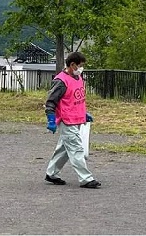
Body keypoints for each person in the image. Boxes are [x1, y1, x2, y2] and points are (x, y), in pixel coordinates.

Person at [44, 51, 101, 189]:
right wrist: (51, 119)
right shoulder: (61, 81)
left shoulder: (78, 78)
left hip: (75, 120)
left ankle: (51, 173)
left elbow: (75, 99)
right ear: (72, 65)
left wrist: (83, 113)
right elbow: (51, 102)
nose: (81, 69)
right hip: (66, 121)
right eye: (80, 66)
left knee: (63, 149)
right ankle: (86, 179)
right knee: (76, 149)